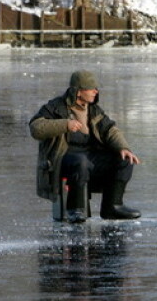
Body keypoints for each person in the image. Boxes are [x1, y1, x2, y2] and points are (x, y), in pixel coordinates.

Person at [30, 70, 141, 223]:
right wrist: (65, 124)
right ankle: (75, 209)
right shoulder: (56, 107)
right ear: (79, 91)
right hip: (63, 158)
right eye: (91, 88)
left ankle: (113, 206)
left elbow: (110, 130)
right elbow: (36, 128)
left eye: (96, 88)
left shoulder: (94, 110)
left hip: (89, 155)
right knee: (81, 162)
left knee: (124, 160)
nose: (96, 91)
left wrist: (124, 148)